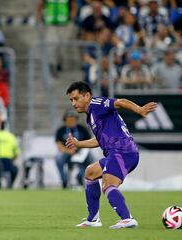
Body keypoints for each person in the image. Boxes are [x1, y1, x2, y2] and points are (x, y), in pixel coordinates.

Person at [65, 81, 157, 229]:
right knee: (91, 172)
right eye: (71, 100)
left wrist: (139, 109)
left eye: (76, 98)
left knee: (108, 184)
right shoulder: (92, 115)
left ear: (87, 95)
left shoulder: (96, 103)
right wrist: (78, 143)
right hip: (115, 152)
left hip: (122, 150)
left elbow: (120, 102)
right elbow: (100, 140)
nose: (74, 103)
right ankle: (93, 219)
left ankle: (127, 219)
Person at [55, 109, 93, 189]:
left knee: (91, 158)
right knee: (58, 157)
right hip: (67, 152)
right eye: (69, 120)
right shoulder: (61, 130)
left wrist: (79, 147)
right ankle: (64, 180)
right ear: (65, 121)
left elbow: (89, 142)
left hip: (81, 150)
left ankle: (80, 175)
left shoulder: (82, 129)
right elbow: (59, 145)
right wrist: (69, 151)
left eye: (73, 120)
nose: (72, 122)